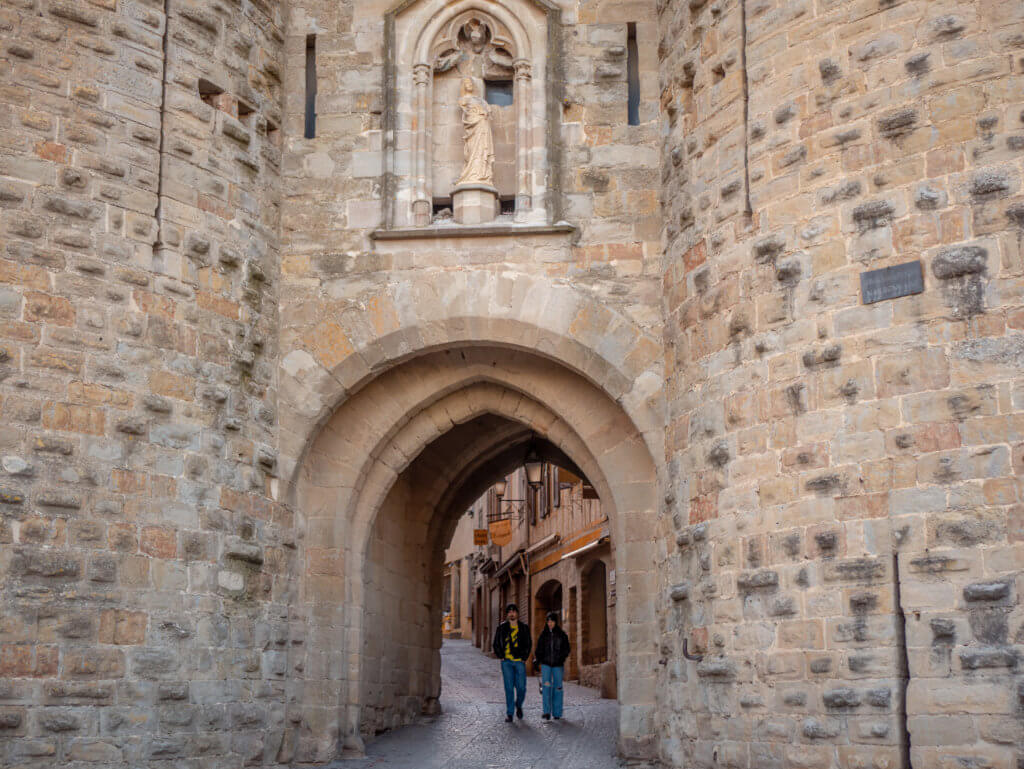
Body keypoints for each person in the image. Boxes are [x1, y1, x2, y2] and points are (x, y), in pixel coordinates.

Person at [492, 603, 531, 722]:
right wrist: (501, 656)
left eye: (514, 611)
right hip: (507, 662)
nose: (512, 613)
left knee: (521, 688)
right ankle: (510, 713)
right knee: (509, 688)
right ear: (507, 614)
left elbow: (528, 643)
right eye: (509, 611)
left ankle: (518, 705)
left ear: (517, 613)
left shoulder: (524, 628)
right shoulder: (501, 628)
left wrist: (524, 657)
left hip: (519, 662)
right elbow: (496, 643)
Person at [534, 611, 571, 720]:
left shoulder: (562, 635)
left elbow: (567, 649)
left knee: (558, 688)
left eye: (552, 621)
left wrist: (562, 657)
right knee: (546, 687)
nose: (550, 623)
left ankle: (557, 712)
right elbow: (539, 649)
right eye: (548, 621)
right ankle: (546, 712)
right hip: (546, 664)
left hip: (558, 665)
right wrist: (537, 661)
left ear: (556, 622)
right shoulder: (543, 635)